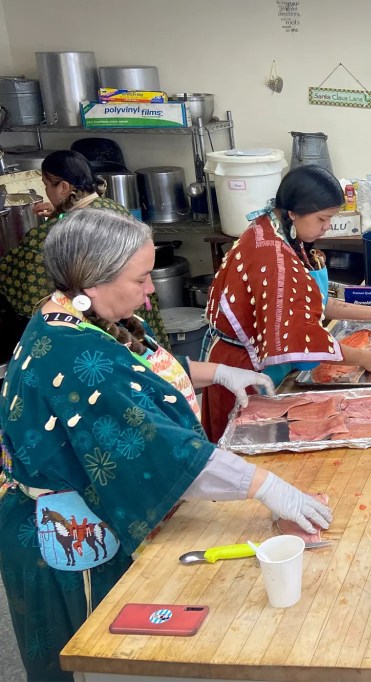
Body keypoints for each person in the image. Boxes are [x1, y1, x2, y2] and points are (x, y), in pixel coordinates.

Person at [0, 209, 332, 681]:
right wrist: (267, 487)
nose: (151, 290)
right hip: (63, 532)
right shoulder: (75, 355)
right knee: (95, 657)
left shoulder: (76, 313)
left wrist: (216, 372)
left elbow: (137, 369)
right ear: (93, 281)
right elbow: (158, 450)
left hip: (86, 509)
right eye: (140, 279)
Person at [201, 165, 371, 441]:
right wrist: (364, 357)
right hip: (241, 373)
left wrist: (368, 312)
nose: (327, 227)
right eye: (322, 219)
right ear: (293, 212)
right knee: (248, 460)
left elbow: (307, 302)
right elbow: (302, 337)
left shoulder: (276, 228)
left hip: (259, 363)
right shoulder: (272, 257)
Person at [0, 150, 170, 352]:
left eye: (47, 187)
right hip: (138, 314)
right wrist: (57, 212)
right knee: (149, 361)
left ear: (63, 187)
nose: (47, 192)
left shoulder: (46, 237)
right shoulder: (114, 208)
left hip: (100, 330)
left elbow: (15, 272)